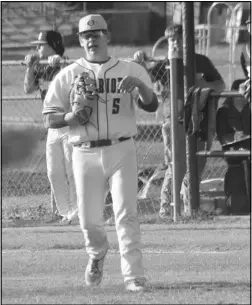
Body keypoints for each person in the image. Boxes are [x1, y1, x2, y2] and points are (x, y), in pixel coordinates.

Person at [42, 14, 159, 292]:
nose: (91, 39)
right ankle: (96, 253)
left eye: (97, 34)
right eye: (86, 35)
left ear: (107, 36)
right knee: (89, 220)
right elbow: (50, 118)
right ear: (81, 41)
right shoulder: (68, 74)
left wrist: (140, 86)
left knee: (126, 213)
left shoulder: (130, 69)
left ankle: (134, 276)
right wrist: (73, 116)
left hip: (122, 148)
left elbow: (152, 105)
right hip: (84, 152)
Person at [148, 24, 225, 218]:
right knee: (175, 165)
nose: (176, 44)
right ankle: (167, 209)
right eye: (172, 40)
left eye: (179, 39)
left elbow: (220, 84)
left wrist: (204, 85)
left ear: (188, 41)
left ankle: (189, 207)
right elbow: (147, 77)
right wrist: (141, 61)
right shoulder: (164, 64)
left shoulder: (201, 62)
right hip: (172, 121)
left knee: (196, 164)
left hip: (198, 121)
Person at [23, 30, 78, 224]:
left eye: (41, 44)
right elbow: (28, 88)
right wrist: (29, 67)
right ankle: (65, 212)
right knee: (53, 172)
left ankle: (77, 212)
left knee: (72, 170)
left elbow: (75, 81)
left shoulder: (68, 64)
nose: (37, 48)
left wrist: (61, 64)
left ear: (54, 45)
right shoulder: (40, 66)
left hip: (69, 125)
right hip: (52, 127)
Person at [216, 81, 251, 215]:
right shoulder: (224, 111)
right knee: (238, 206)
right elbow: (222, 137)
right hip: (235, 163)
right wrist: (234, 137)